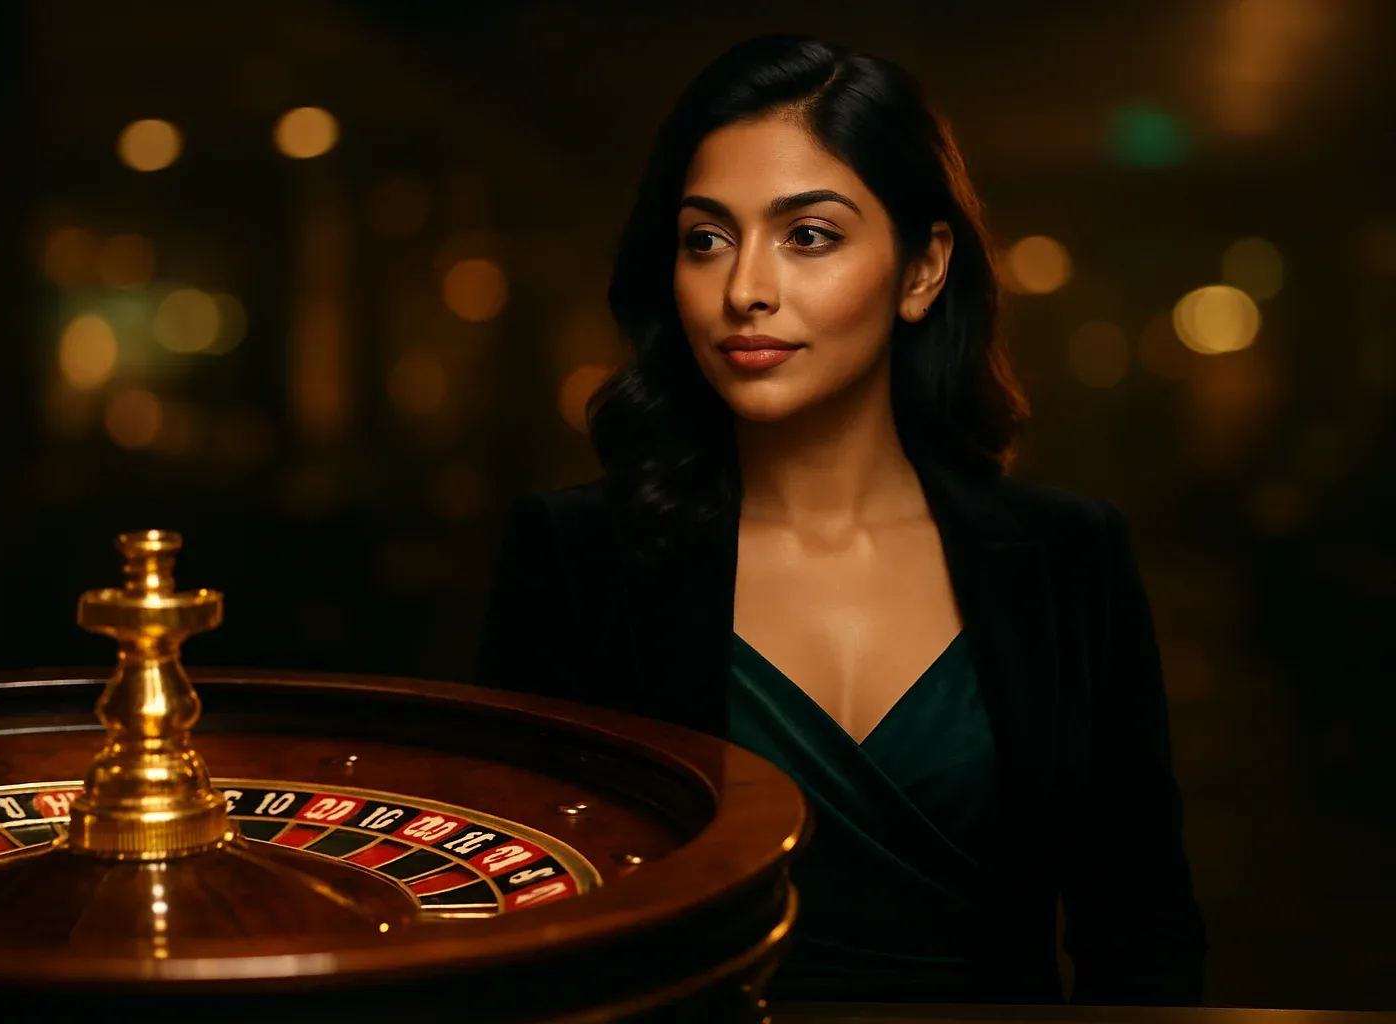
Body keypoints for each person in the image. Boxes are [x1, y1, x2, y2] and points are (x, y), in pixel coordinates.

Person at [475, 34, 1206, 1007]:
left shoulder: (1068, 557)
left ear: (922, 269)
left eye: (808, 235)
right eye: (706, 238)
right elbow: (514, 925)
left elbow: (1143, 934)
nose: (745, 290)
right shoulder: (575, 556)